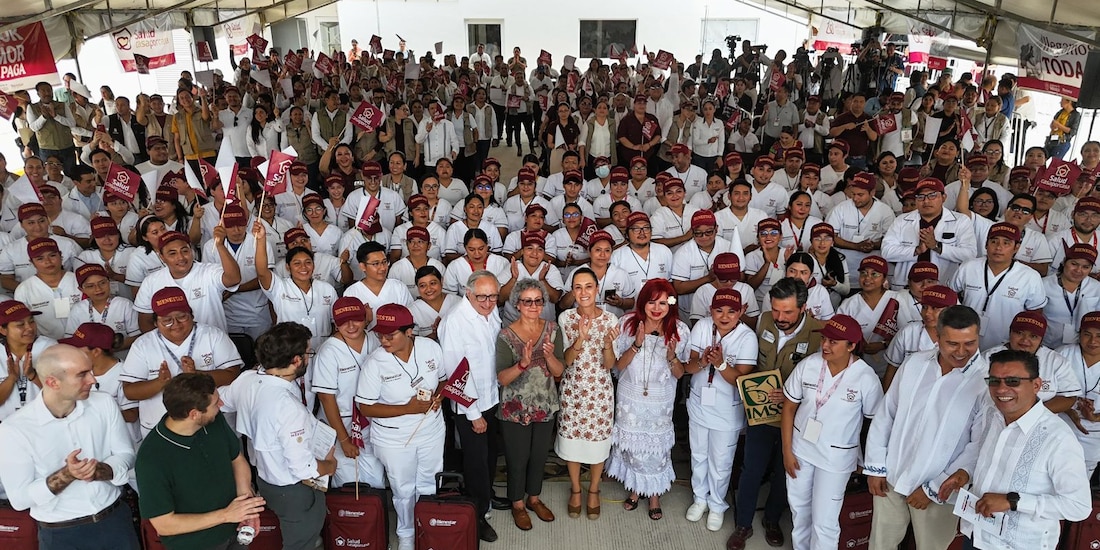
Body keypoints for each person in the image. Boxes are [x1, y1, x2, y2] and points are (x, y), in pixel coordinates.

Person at [863, 305, 988, 550]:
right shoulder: (915, 363)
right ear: (937, 337)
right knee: (880, 545)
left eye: (970, 343)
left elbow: (979, 445)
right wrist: (876, 466)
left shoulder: (984, 382)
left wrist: (935, 487)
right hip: (892, 475)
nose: (961, 352)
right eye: (952, 343)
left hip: (939, 489)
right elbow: (887, 412)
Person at [938, 349, 1091, 549]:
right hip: (977, 533)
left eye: (1013, 381)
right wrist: (964, 473)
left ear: (1036, 385)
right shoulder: (992, 414)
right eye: (994, 381)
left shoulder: (1058, 438)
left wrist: (1013, 502)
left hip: (1019, 544)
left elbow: (1078, 506)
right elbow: (985, 456)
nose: (1001, 389)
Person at [0, 344, 139, 550]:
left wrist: (99, 470)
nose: (92, 380)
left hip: (114, 520)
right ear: (52, 382)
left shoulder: (103, 403)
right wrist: (67, 475)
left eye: (90, 371)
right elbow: (20, 499)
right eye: (82, 375)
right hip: (62, 534)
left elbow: (126, 454)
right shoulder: (14, 429)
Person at [219, 322, 337, 550]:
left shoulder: (247, 379)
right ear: (296, 360)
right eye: (308, 353)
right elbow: (303, 469)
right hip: (293, 489)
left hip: (265, 479)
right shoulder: (287, 407)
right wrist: (329, 466)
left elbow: (220, 401)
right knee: (301, 543)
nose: (309, 357)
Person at [727, 277, 823, 550]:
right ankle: (743, 523)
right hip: (761, 411)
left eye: (788, 312)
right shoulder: (764, 320)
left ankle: (772, 520)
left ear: (803, 308)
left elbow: (822, 379)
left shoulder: (818, 333)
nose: (780, 318)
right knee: (751, 469)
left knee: (784, 473)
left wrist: (793, 394)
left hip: (795, 417)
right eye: (776, 310)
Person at [782, 314, 883, 550]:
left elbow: (876, 425)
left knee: (824, 521)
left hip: (835, 459)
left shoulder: (865, 378)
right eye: (824, 339)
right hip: (800, 451)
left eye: (833, 342)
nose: (825, 346)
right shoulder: (809, 365)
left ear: (851, 346)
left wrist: (868, 462)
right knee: (799, 510)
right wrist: (787, 451)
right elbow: (788, 408)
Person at [135, 373, 267, 550]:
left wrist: (245, 505)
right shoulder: (151, 459)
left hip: (235, 530)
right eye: (216, 403)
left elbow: (236, 459)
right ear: (194, 414)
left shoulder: (213, 419)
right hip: (195, 544)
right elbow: (164, 524)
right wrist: (226, 515)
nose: (221, 404)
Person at [356, 304, 447, 550]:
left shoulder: (430, 348)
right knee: (403, 488)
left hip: (431, 430)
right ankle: (406, 534)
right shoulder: (375, 363)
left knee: (430, 482)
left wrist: (438, 398)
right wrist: (408, 408)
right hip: (394, 438)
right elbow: (365, 407)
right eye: (380, 335)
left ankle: (427, 529)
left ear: (409, 332)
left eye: (390, 335)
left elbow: (443, 380)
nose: (383, 340)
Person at [608, 278, 688, 521]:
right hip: (630, 398)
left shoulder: (680, 330)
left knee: (656, 450)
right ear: (642, 302)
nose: (656, 308)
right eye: (652, 302)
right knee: (633, 448)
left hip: (660, 402)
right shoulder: (627, 324)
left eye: (663, 303)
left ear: (670, 305)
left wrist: (672, 356)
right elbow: (618, 366)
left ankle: (654, 495)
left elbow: (680, 374)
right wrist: (637, 344)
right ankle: (635, 489)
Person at [120, 287, 243, 437]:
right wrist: (160, 383)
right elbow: (130, 391)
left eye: (182, 317)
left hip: (211, 424)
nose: (176, 324)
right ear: (155, 322)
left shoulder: (213, 335)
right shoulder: (143, 345)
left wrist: (197, 374)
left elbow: (233, 374)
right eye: (167, 320)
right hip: (161, 428)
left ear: (191, 315)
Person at [438, 270, 505, 542]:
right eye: (482, 297)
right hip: (470, 406)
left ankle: (487, 496)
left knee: (490, 455)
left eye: (493, 296)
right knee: (476, 461)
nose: (488, 302)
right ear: (468, 293)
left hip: (492, 397)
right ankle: (477, 513)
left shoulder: (491, 311)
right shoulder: (455, 321)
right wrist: (474, 414)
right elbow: (456, 373)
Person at [683, 288, 757, 531]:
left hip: (727, 411)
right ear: (710, 310)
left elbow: (741, 380)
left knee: (721, 461)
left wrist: (721, 364)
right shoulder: (703, 326)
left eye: (731, 311)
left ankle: (716, 504)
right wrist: (703, 361)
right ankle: (699, 498)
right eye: (719, 310)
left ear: (742, 311)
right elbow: (688, 367)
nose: (725, 316)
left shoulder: (747, 337)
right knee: (698, 455)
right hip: (699, 404)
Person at [496, 279, 565, 530]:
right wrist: (522, 364)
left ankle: (534, 498)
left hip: (545, 404)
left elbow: (558, 371)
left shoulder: (553, 330)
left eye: (538, 301)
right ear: (517, 304)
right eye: (527, 301)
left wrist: (548, 356)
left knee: (538, 456)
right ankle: (517, 503)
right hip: (514, 408)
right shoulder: (506, 335)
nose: (533, 306)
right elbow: (502, 378)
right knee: (518, 458)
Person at [949, 222, 1047, 350]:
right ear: (986, 244)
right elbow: (950, 296)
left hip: (1005, 344)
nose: (999, 247)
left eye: (1006, 243)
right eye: (994, 241)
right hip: (965, 339)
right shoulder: (968, 267)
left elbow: (1035, 313)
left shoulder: (1030, 276)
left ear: (1016, 247)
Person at [132, 229, 243, 334]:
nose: (181, 257)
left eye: (185, 251)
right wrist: (169, 343)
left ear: (191, 251)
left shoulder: (208, 271)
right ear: (162, 257)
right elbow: (145, 323)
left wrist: (220, 245)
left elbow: (233, 279)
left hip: (212, 342)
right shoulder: (151, 282)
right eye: (172, 253)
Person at [881, 177, 977, 289]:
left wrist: (937, 246)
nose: (926, 201)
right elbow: (886, 252)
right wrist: (916, 250)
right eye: (920, 197)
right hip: (906, 286)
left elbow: (969, 255)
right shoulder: (901, 220)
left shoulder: (960, 221)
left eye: (932, 195)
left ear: (944, 197)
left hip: (943, 286)